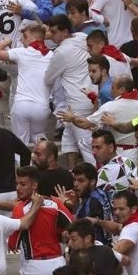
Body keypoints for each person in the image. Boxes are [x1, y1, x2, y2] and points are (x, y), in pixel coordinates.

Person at [0, 24, 53, 145]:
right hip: (42, 107)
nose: (22, 40)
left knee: (19, 143)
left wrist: (3, 43)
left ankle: (21, 163)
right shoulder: (52, 55)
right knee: (38, 135)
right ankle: (45, 152)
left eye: (25, 36)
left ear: (35, 37)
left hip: (22, 105)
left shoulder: (22, 52)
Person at [58, 75, 138, 164]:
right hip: (137, 154)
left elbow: (84, 124)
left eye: (112, 87)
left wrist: (72, 118)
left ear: (122, 90)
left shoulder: (110, 107)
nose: (110, 90)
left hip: (117, 155)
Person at [43, 14, 94, 167]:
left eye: (53, 32)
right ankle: (72, 172)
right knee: (68, 139)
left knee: (86, 148)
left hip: (78, 104)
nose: (50, 35)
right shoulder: (82, 37)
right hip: (86, 98)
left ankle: (98, 179)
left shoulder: (61, 52)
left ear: (65, 32)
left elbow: (48, 78)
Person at [91, 130, 138, 202]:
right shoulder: (129, 162)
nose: (93, 152)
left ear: (111, 147)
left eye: (98, 148)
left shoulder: (106, 171)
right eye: (92, 148)